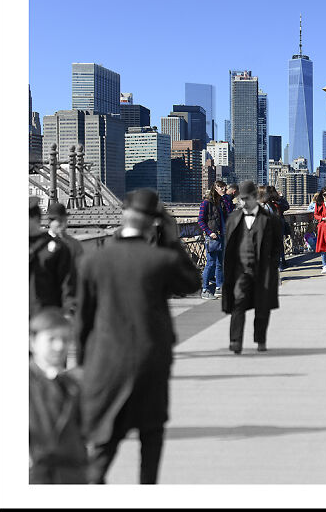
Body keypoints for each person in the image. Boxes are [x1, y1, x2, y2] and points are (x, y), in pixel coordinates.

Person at [76, 188, 201, 484]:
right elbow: (192, 282)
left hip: (106, 364)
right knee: (151, 437)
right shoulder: (160, 261)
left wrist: (84, 366)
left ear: (123, 216)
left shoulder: (94, 262)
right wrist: (171, 239)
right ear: (153, 222)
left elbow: (82, 322)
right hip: (151, 361)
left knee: (103, 445)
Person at [221, 179, 282, 353]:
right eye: (241, 199)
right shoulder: (234, 218)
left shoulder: (270, 219)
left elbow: (278, 246)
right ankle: (235, 340)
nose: (243, 202)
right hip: (241, 270)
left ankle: (260, 339)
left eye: (247, 198)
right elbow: (229, 244)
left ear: (255, 197)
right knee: (238, 303)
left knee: (262, 307)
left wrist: (272, 265)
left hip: (263, 270)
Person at [29, 307, 88, 484]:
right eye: (51, 339)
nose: (59, 346)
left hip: (72, 476)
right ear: (32, 342)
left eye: (64, 339)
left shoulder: (76, 383)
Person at [29, 197, 76, 317]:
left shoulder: (58, 248)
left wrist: (68, 311)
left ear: (34, 218)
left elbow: (67, 283)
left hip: (47, 316)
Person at [198, 178, 234, 300]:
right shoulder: (206, 203)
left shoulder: (221, 202)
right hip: (213, 236)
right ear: (215, 188)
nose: (224, 189)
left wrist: (224, 198)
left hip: (222, 235)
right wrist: (209, 232)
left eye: (225, 187)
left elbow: (230, 212)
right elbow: (201, 220)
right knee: (210, 263)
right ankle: (205, 289)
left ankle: (219, 288)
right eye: (221, 187)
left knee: (220, 263)